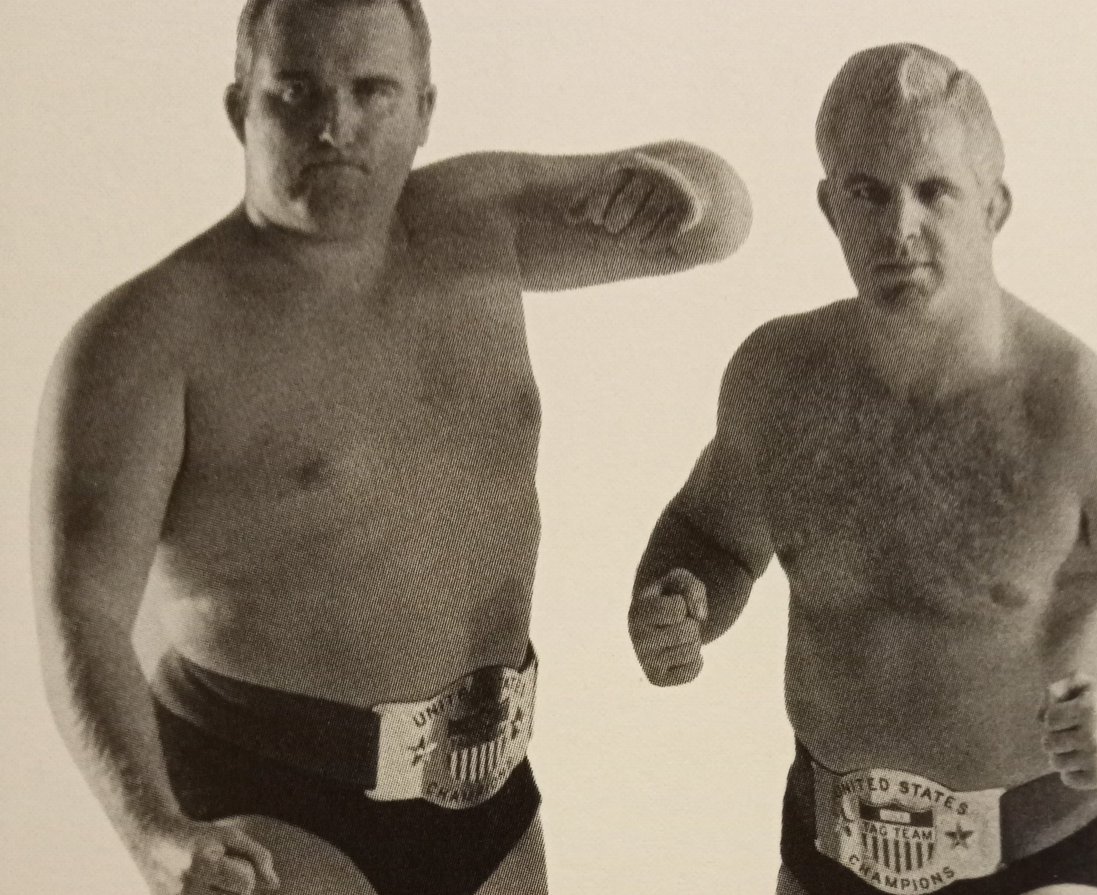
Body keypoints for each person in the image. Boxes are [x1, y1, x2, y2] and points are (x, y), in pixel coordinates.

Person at [30, 1, 752, 894]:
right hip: (267, 798)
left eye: (372, 91)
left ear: (425, 108)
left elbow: (716, 223)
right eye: (296, 93)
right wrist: (153, 831)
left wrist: (682, 187)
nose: (335, 125)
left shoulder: (479, 220)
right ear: (239, 106)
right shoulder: (145, 338)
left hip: (489, 786)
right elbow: (84, 614)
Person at [628, 43, 1097, 895]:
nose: (899, 228)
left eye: (934, 190)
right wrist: (676, 600)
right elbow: (711, 534)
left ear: (994, 207)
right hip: (824, 853)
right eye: (867, 191)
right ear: (830, 207)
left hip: (1034, 863)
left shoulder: (1083, 416)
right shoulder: (777, 379)